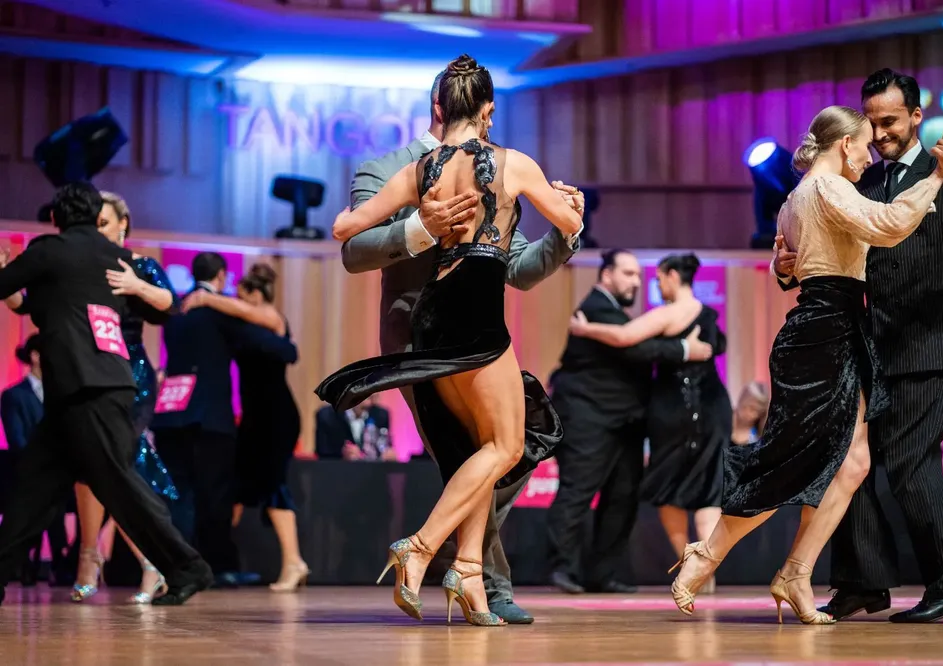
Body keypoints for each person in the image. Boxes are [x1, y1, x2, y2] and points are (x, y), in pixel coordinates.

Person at [318, 54, 583, 626]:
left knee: (489, 451)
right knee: (502, 448)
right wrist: (421, 228)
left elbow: (343, 226)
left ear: (443, 105)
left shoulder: (426, 171)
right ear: (486, 109)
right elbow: (352, 251)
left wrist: (558, 244)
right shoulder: (496, 163)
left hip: (446, 316)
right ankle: (436, 555)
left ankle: (469, 571)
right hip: (447, 325)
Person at [670, 105, 943, 625]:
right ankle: (705, 556)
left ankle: (796, 572)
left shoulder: (795, 199)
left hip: (835, 326)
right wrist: (937, 175)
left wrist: (784, 268)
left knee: (853, 463)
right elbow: (888, 225)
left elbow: (793, 267)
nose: (868, 157)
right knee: (791, 460)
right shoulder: (826, 189)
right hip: (825, 333)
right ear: (844, 144)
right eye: (864, 145)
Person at [773, 69, 943, 623]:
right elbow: (825, 253)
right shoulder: (858, 179)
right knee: (851, 467)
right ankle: (862, 584)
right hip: (868, 348)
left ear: (917, 117)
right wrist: (787, 267)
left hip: (931, 347)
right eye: (872, 123)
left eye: (890, 121)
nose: (880, 133)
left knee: (909, 462)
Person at [0, 182, 212, 606]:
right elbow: (165, 308)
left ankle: (187, 567)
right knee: (34, 488)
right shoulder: (115, 258)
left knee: (116, 483)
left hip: (88, 387)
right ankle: (183, 567)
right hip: (96, 386)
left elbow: (15, 293)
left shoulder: (48, 251)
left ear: (56, 218)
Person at [545, 250, 712, 594]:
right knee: (577, 492)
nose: (636, 281)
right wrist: (682, 348)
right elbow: (635, 346)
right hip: (588, 418)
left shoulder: (614, 315)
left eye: (638, 275)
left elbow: (637, 340)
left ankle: (601, 574)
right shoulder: (594, 308)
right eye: (627, 273)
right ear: (606, 275)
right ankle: (564, 569)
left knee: (622, 497)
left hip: (625, 422)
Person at [152, 252, 298, 587]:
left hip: (172, 412)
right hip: (210, 418)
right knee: (214, 495)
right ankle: (214, 567)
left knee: (178, 494)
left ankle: (175, 565)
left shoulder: (177, 310)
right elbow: (281, 348)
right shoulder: (217, 312)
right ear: (221, 276)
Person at [0, 335, 69, 587]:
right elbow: (17, 441)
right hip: (29, 471)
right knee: (49, 495)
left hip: (61, 470)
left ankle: (72, 559)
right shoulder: (14, 395)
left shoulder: (62, 394)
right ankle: (57, 564)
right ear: (36, 356)